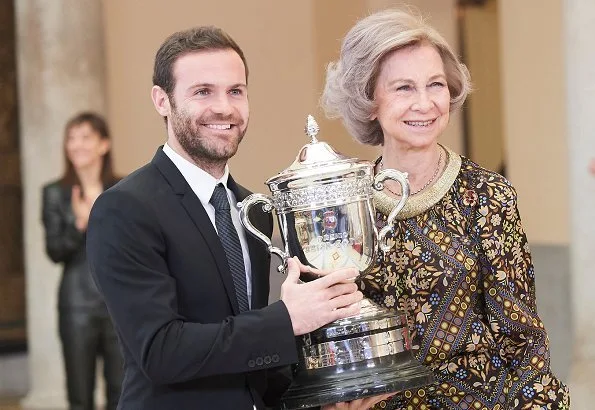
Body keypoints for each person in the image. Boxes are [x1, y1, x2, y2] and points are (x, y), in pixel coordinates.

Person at [85, 26, 364, 410]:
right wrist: (285, 320)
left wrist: (322, 397)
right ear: (162, 101)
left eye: (235, 91)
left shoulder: (254, 210)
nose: (224, 107)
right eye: (202, 92)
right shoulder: (125, 209)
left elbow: (249, 365)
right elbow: (161, 351)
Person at [321, 9, 570, 410]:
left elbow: (523, 343)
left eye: (435, 85)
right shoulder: (343, 205)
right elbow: (330, 331)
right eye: (404, 88)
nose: (425, 103)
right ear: (369, 102)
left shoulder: (488, 196)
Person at [42, 112, 123, 410]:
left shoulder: (122, 189)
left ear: (104, 144)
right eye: (71, 138)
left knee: (122, 391)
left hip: (118, 304)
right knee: (80, 395)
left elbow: (133, 247)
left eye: (85, 137)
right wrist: (80, 224)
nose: (77, 145)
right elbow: (54, 251)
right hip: (76, 306)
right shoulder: (54, 193)